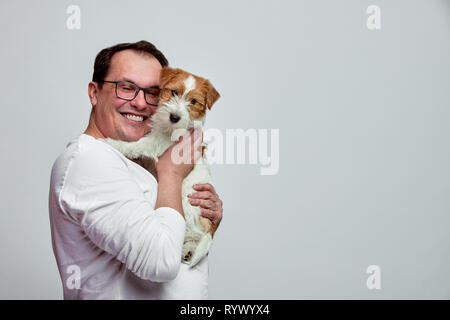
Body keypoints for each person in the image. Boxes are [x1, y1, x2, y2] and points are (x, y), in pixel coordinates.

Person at [48, 41, 223, 299]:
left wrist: (203, 220)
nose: (141, 103)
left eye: (153, 92)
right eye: (126, 87)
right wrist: (172, 175)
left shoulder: (132, 159)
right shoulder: (89, 160)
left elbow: (164, 231)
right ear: (94, 92)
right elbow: (160, 262)